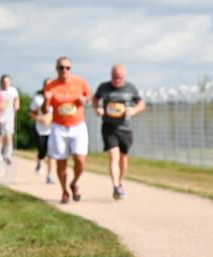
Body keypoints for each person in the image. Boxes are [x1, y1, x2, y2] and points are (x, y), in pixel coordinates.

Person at [93, 64, 145, 200]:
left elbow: (141, 103)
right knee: (113, 156)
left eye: (120, 78)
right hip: (109, 127)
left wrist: (133, 110)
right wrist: (98, 108)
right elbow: (95, 99)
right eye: (115, 78)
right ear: (111, 76)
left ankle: (120, 182)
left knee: (123, 159)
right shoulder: (103, 87)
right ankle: (115, 186)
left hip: (125, 128)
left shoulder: (130, 88)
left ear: (124, 77)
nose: (117, 81)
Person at [44, 56, 91, 204]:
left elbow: (88, 96)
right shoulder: (51, 85)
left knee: (80, 160)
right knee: (61, 162)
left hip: (77, 125)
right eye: (61, 67)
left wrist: (84, 100)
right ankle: (64, 190)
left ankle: (74, 182)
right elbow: (45, 110)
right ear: (56, 69)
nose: (64, 70)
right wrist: (46, 100)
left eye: (67, 67)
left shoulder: (80, 82)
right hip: (59, 127)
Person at [28, 78, 55, 184]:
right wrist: (39, 118)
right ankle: (40, 161)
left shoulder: (56, 98)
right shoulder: (37, 99)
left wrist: (52, 118)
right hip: (40, 129)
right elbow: (30, 112)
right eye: (47, 85)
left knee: (51, 153)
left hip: (53, 129)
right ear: (44, 87)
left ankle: (50, 175)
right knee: (42, 151)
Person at [0, 74, 20, 165]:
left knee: (9, 136)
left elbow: (17, 99)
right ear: (1, 82)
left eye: (7, 81)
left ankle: (8, 155)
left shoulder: (13, 90)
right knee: (0, 137)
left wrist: (16, 105)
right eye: (4, 82)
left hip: (9, 117)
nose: (6, 83)